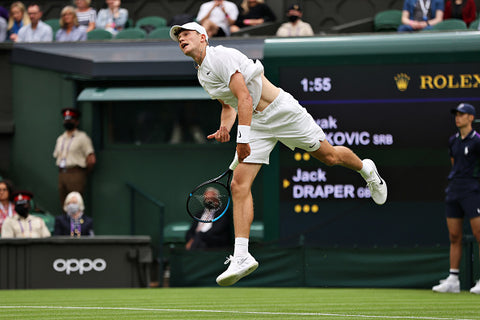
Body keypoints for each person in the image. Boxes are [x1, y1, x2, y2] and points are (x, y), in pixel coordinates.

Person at [169, 22, 388, 286]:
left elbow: (245, 99)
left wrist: (242, 139)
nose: (181, 38)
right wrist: (225, 128)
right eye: (178, 37)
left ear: (203, 37)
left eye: (186, 34)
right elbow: (230, 105)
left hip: (281, 111)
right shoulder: (202, 74)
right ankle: (241, 256)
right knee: (239, 185)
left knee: (329, 157)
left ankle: (367, 170)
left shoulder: (221, 56)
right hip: (258, 123)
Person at [432, 103, 480, 294]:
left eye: (462, 114)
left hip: (472, 190)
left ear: (470, 118)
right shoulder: (453, 141)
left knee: (479, 234)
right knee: (454, 236)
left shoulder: (477, 141)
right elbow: (454, 164)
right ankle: (453, 279)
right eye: (456, 114)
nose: (457, 117)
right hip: (454, 189)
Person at [53, 108, 96, 209]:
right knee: (64, 204)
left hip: (76, 173)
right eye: (66, 120)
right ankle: (66, 225)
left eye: (70, 120)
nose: (67, 122)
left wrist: (83, 172)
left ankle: (77, 225)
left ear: (76, 122)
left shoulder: (82, 137)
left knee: (75, 204)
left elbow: (91, 159)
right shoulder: (60, 138)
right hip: (62, 173)